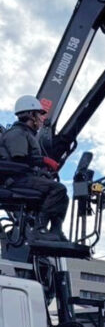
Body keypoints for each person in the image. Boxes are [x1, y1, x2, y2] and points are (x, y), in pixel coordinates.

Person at [0, 96, 68, 241]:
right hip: (16, 180)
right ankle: (39, 229)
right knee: (57, 189)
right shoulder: (16, 133)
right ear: (31, 115)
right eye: (39, 114)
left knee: (62, 195)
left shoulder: (27, 134)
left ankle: (56, 232)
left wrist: (43, 172)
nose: (42, 119)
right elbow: (19, 159)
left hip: (24, 177)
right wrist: (44, 160)